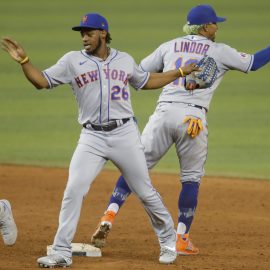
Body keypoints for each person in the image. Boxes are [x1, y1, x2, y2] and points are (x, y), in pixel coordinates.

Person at [1, 13, 198, 268]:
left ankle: (168, 241)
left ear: (103, 34)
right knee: (74, 189)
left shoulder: (124, 60)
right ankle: (62, 251)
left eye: (89, 32)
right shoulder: (72, 61)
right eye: (82, 33)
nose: (84, 37)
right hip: (91, 137)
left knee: (144, 191)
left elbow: (147, 81)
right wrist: (25, 62)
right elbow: (42, 82)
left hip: (124, 134)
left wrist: (180, 71)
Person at [90, 4, 270, 255]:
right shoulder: (219, 50)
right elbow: (255, 63)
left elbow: (140, 72)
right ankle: (182, 238)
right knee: (190, 180)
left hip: (162, 115)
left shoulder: (169, 45)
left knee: (135, 168)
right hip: (192, 119)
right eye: (216, 23)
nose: (218, 27)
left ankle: (109, 215)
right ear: (206, 27)